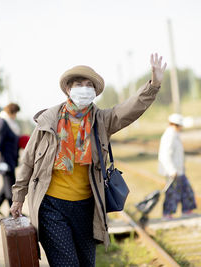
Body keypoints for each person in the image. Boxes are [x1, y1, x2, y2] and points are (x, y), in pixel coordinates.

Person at [10, 53, 166, 266]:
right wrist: (18, 196)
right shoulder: (48, 120)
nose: (83, 89)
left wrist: (153, 85)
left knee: (86, 264)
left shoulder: (101, 120)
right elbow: (28, 160)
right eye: (78, 84)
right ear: (68, 89)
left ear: (94, 92)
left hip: (87, 208)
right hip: (51, 207)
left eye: (88, 85)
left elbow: (129, 108)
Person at [158, 113, 197, 218]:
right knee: (172, 194)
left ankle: (187, 211)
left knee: (186, 190)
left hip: (178, 171)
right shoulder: (169, 136)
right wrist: (171, 170)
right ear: (176, 125)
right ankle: (167, 214)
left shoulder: (174, 135)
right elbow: (165, 155)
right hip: (173, 172)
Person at [0, 103, 21, 216]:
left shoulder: (9, 123)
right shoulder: (1, 123)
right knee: (10, 186)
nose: (15, 116)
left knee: (8, 184)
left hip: (10, 160)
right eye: (15, 113)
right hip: (4, 160)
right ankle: (13, 212)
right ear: (11, 112)